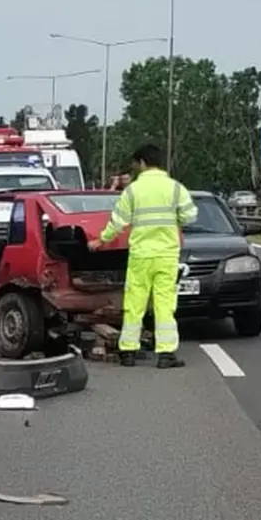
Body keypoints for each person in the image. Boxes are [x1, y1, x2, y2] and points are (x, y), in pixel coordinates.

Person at [89, 143, 197, 369]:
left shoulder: (133, 191)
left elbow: (118, 221)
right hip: (166, 255)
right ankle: (166, 355)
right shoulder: (176, 188)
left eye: (136, 164)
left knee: (134, 303)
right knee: (164, 304)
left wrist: (101, 240)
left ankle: (128, 352)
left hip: (140, 255)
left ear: (143, 163)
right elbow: (190, 217)